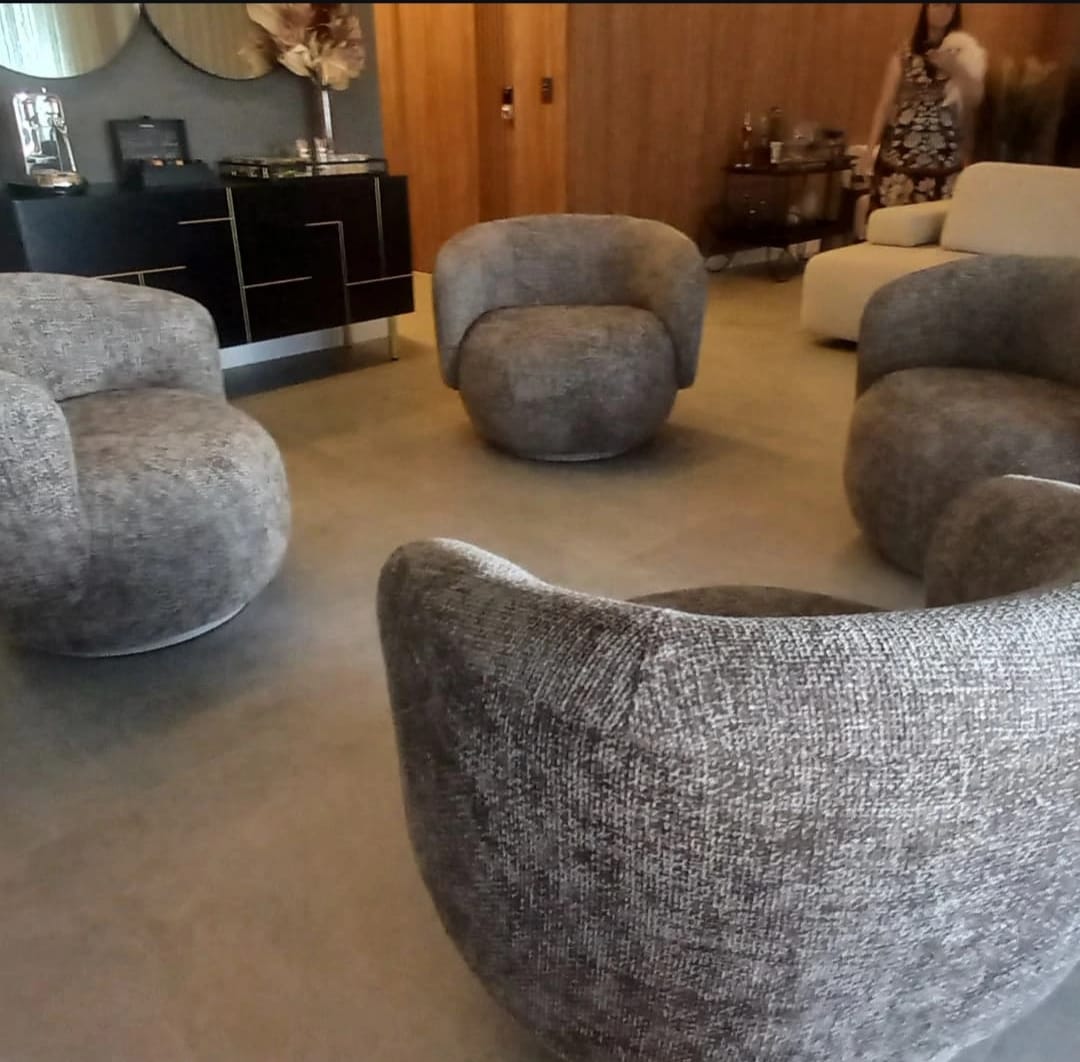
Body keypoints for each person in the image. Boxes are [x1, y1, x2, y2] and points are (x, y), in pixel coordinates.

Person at [860, 3, 986, 212]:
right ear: (925, 8)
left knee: (934, 226)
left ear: (955, 12)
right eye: (936, 4)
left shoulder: (963, 52)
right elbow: (884, 104)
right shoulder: (904, 53)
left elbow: (975, 98)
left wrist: (954, 67)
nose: (942, 11)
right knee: (889, 224)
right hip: (900, 157)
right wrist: (869, 150)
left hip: (945, 160)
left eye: (949, 5)